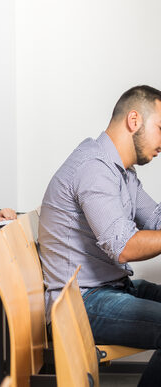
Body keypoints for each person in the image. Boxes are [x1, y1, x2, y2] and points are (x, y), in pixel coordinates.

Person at [39, 85, 161, 386]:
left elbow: (156, 218)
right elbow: (124, 248)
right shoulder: (93, 168)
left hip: (111, 288)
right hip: (80, 303)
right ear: (134, 120)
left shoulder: (122, 171)